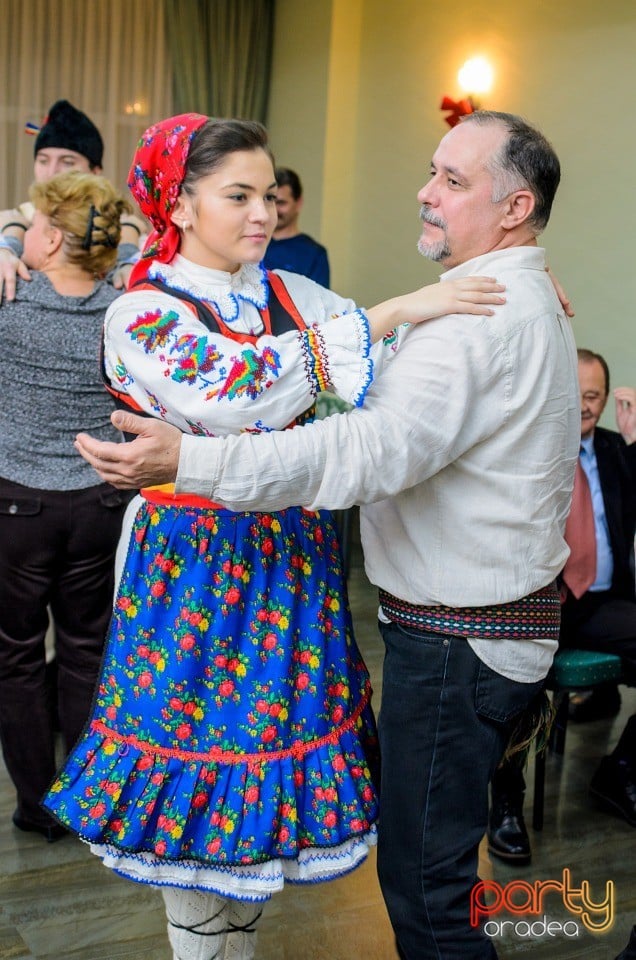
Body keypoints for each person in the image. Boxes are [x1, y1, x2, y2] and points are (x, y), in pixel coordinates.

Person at [71, 110, 580, 959]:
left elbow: (384, 365)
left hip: (286, 579)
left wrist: (513, 284)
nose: (265, 212)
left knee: (264, 806)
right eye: (239, 194)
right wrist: (408, 307)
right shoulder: (144, 312)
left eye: (269, 193)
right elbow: (237, 388)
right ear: (181, 205)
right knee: (200, 816)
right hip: (200, 578)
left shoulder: (288, 293)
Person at [0, 171, 132, 842]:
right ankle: (84, 803)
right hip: (100, 501)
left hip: (18, 507)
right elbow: (133, 253)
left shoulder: (10, 302)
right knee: (86, 650)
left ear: (50, 237)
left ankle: (33, 803)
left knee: (18, 654)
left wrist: (5, 241)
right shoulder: (127, 310)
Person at [488, 351, 636, 864]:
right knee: (512, 684)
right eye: (578, 394)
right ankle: (505, 803)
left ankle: (620, 771)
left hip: (602, 603)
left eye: (595, 395)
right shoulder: (529, 447)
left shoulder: (617, 451)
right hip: (538, 600)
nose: (586, 406)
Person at [0, 99, 145, 299]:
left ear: (95, 172)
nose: (52, 172)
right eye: (43, 160)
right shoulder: (14, 219)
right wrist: (5, 248)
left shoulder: (114, 228)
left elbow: (126, 225)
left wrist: (127, 260)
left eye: (67, 162)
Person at [262, 167, 330, 286]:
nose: (275, 209)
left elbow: (319, 302)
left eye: (281, 203)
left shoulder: (314, 254)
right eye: (270, 201)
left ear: (298, 203)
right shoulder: (254, 242)